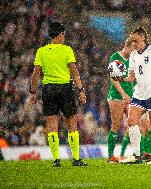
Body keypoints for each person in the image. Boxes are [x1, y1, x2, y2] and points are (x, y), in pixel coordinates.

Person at [29, 22, 87, 167]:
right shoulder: (67, 50)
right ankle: (76, 159)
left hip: (48, 89)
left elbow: (36, 73)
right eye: (64, 35)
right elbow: (74, 71)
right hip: (65, 88)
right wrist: (81, 90)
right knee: (72, 124)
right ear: (60, 34)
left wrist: (32, 92)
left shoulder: (41, 51)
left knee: (52, 126)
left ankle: (56, 160)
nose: (64, 38)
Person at [118, 26, 151, 164]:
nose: (133, 43)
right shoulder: (133, 55)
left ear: (143, 38)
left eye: (135, 40)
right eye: (131, 41)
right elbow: (131, 77)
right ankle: (136, 155)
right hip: (139, 94)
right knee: (131, 120)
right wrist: (119, 76)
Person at [107, 38, 135, 163]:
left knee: (134, 124)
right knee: (116, 126)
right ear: (127, 46)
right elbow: (114, 78)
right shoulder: (115, 56)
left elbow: (131, 78)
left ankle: (137, 154)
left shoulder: (133, 59)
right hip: (117, 96)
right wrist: (123, 93)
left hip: (130, 96)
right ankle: (111, 156)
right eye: (132, 50)